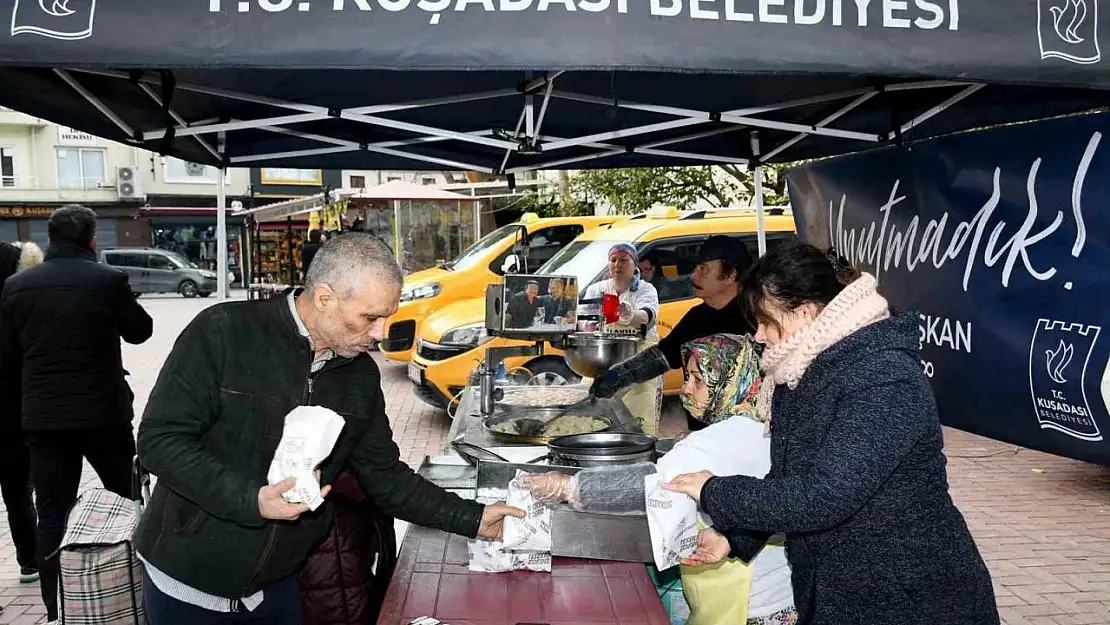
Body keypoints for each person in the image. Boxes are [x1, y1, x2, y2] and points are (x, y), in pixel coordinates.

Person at [135, 233, 523, 625]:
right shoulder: (223, 332)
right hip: (186, 581)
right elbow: (159, 441)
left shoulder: (357, 376)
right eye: (370, 318)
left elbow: (386, 478)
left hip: (279, 583)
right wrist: (251, 499)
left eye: (386, 316)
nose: (380, 333)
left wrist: (473, 518)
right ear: (324, 298)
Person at [664, 242, 999, 625]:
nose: (758, 337)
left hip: (910, 595)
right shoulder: (803, 371)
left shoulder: (884, 378)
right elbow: (791, 479)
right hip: (844, 590)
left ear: (805, 312)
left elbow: (824, 495)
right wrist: (734, 537)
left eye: (766, 322)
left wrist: (714, 489)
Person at [520, 334, 793, 625]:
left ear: (728, 382)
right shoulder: (772, 424)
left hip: (748, 601)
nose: (687, 389)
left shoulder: (718, 439)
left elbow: (650, 485)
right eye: (687, 377)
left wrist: (569, 487)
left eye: (699, 381)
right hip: (783, 594)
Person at [0, 206, 153, 623]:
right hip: (104, 415)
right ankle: (135, 594)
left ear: (49, 239)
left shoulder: (17, 286)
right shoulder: (107, 280)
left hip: (45, 420)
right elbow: (142, 331)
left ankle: (55, 608)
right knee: (126, 502)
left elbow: (8, 360)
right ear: (91, 240)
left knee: (51, 511)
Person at [589, 236, 754, 431]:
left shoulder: (757, 320)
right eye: (694, 269)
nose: (694, 276)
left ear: (731, 275)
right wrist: (618, 376)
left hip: (745, 433)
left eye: (703, 269)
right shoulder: (697, 317)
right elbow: (662, 356)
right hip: (701, 432)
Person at [580, 243, 661, 434]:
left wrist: (630, 315)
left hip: (640, 362)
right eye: (613, 260)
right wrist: (586, 326)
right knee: (589, 412)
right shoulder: (596, 290)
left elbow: (648, 315)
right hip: (603, 361)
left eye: (624, 260)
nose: (618, 265)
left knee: (637, 421)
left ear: (635, 266)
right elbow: (579, 319)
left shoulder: (645, 290)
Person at [0, 240, 44, 590]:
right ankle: (31, 558)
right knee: (20, 489)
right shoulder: (21, 303)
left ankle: (30, 559)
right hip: (19, 409)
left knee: (17, 491)